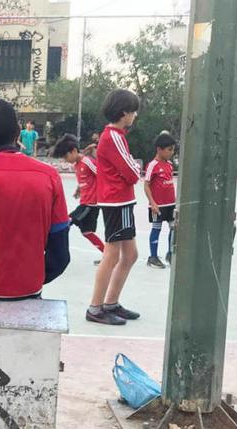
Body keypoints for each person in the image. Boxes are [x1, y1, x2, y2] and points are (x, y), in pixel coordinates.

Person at [0, 99, 70, 300]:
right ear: (18, 132)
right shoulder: (50, 176)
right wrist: (28, 279)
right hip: (28, 292)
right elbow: (60, 255)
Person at [87, 89, 142, 326]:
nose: (135, 115)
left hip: (121, 201)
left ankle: (111, 303)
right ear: (124, 113)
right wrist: (135, 169)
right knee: (112, 254)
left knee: (130, 254)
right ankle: (95, 307)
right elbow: (132, 172)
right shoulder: (113, 137)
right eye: (133, 111)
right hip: (116, 202)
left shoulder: (116, 136)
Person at [52, 134, 104, 258]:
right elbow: (85, 179)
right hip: (85, 201)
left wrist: (102, 196)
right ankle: (107, 254)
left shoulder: (87, 162)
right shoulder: (77, 165)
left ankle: (55, 252)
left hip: (90, 204)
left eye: (66, 156)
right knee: (87, 232)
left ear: (74, 151)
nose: (65, 160)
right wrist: (79, 189)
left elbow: (102, 176)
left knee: (65, 222)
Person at [144, 133, 178, 268]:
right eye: (169, 149)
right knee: (156, 228)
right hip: (157, 205)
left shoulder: (169, 165)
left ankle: (170, 253)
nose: (172, 152)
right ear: (159, 149)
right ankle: (153, 257)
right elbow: (146, 185)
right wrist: (152, 203)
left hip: (171, 204)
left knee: (174, 228)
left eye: (173, 149)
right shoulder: (152, 165)